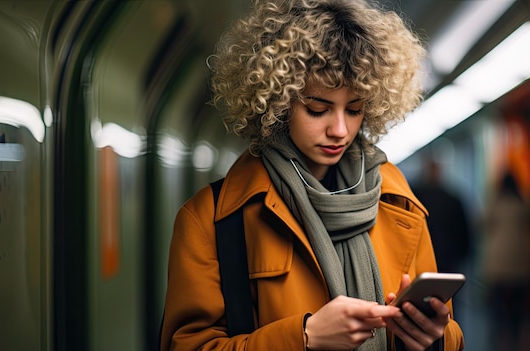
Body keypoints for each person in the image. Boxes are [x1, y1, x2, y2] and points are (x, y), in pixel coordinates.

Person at [160, 1, 465, 350]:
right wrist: (303, 339)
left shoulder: (400, 205)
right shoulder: (212, 219)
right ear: (277, 102)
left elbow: (449, 331)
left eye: (354, 109)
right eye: (317, 109)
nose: (339, 129)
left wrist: (435, 338)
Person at [480, 172, 530, 351]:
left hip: (498, 263)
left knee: (498, 304)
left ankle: (498, 336)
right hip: (519, 262)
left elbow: (482, 222)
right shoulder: (522, 203)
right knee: (516, 305)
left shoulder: (495, 203)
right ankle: (515, 336)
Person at [413, 160, 471, 275]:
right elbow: (463, 232)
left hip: (421, 259)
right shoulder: (452, 199)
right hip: (449, 260)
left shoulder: (415, 198)